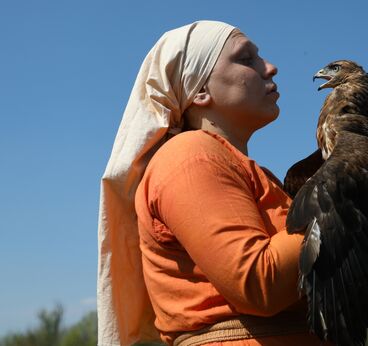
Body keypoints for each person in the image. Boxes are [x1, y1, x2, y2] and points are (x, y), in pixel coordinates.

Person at [98, 20, 326, 346]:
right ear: (200, 91)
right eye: (247, 59)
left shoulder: (251, 172)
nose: (271, 68)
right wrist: (339, 203)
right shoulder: (190, 155)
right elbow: (258, 281)